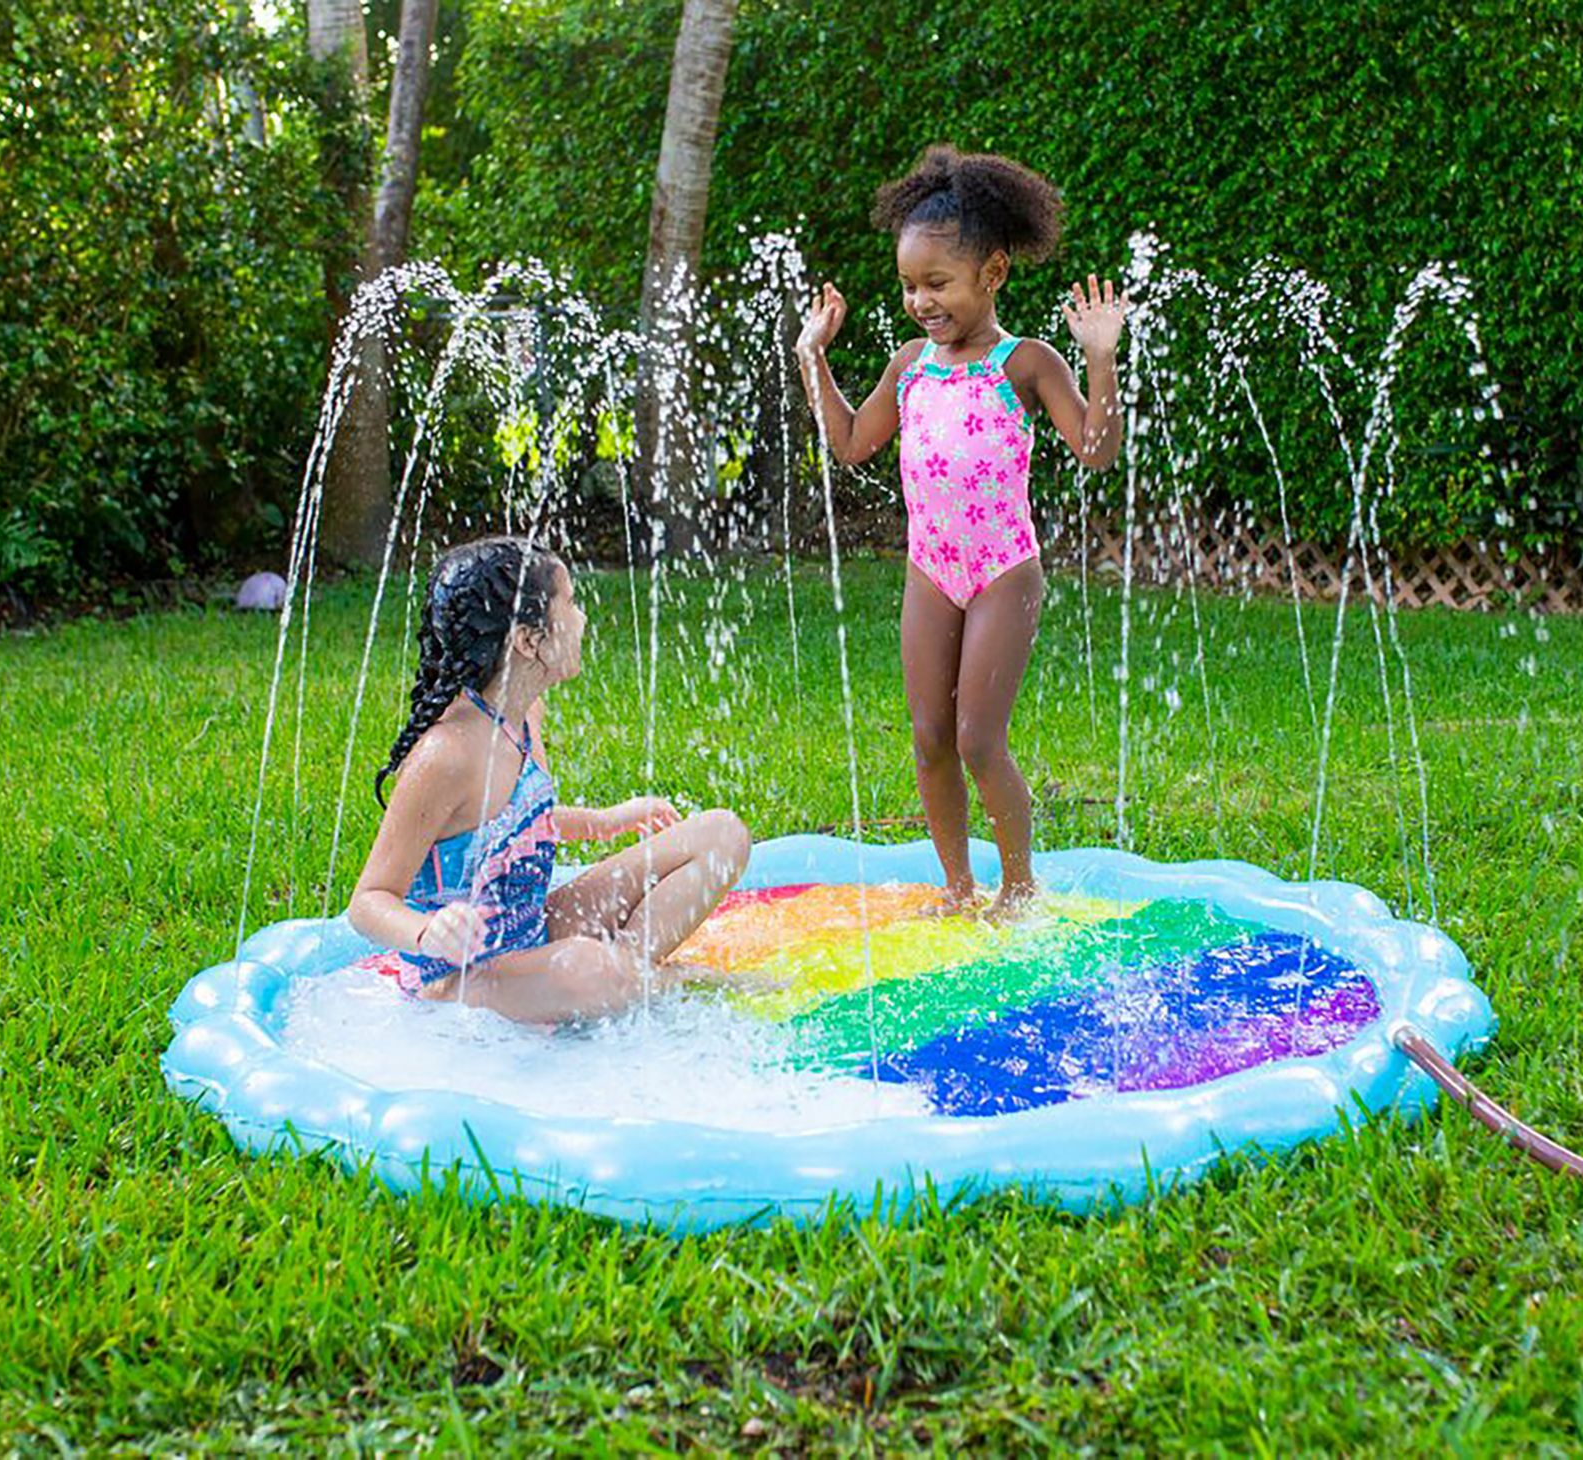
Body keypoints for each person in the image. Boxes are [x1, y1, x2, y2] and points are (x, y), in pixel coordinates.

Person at [795, 145, 1128, 919]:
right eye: (910, 284)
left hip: (1003, 570)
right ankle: (957, 886)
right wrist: (814, 358)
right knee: (930, 735)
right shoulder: (911, 365)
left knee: (980, 739)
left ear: (994, 274)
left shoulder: (1026, 363)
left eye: (937, 283)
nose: (921, 300)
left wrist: (1102, 359)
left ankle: (1018, 888)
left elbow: (1096, 449)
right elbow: (850, 444)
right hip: (930, 570)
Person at [347, 536, 751, 1023]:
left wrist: (605, 821)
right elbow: (369, 900)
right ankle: (666, 983)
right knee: (584, 966)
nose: (582, 619)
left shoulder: (523, 714)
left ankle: (628, 979)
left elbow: (509, 825)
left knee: (721, 834)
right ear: (528, 639)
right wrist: (426, 931)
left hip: (531, 933)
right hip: (461, 976)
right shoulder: (445, 755)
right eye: (572, 603)